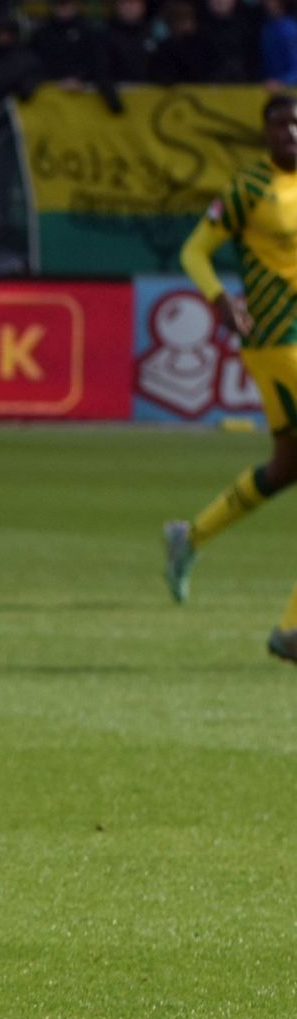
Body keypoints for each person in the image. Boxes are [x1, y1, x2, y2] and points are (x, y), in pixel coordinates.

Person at [166, 94, 297, 662]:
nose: (289, 131)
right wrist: (218, 298)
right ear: (265, 133)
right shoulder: (249, 190)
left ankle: (188, 537)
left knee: (288, 466)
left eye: (296, 122)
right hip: (276, 341)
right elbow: (194, 251)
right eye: (279, 124)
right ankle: (290, 629)